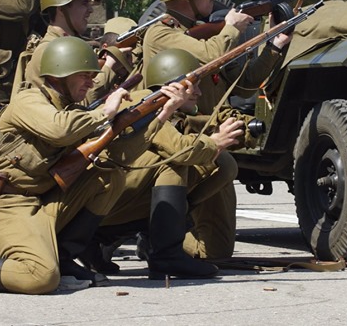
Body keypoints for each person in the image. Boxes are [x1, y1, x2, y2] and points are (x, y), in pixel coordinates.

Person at [0, 36, 193, 294]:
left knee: (109, 176)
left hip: (37, 203)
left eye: (93, 75)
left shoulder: (73, 112)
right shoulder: (28, 101)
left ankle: (64, 256)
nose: (92, 81)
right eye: (85, 75)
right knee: (40, 276)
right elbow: (59, 130)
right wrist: (104, 112)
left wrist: (164, 112)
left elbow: (118, 155)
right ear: (60, 73)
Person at [141, 0, 291, 259]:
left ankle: (164, 237)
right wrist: (231, 28)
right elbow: (209, 56)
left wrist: (274, 44)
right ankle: (157, 236)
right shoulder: (161, 34)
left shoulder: (206, 34)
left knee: (217, 252)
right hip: (179, 143)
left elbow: (246, 83)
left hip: (212, 140)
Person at [92, 48, 242, 280]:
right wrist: (215, 142)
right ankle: (165, 255)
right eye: (194, 86)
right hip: (100, 204)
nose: (200, 93)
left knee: (222, 163)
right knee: (174, 163)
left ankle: (159, 236)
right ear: (174, 86)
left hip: (115, 200)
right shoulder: (140, 104)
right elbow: (179, 151)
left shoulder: (168, 109)